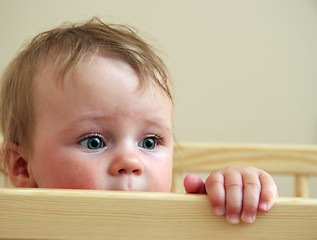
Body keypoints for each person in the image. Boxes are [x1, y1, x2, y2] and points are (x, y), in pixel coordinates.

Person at [0, 18, 277, 224]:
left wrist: (228, 204)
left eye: (149, 141)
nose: (131, 162)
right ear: (22, 167)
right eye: (94, 142)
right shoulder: (15, 229)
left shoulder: (178, 226)